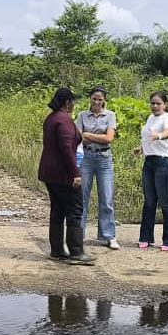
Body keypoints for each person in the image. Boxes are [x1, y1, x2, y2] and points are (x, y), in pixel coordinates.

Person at [38, 87, 94, 265]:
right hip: (63, 173)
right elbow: (66, 150)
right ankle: (76, 251)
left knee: (57, 210)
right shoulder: (64, 121)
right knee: (74, 210)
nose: (74, 105)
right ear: (67, 103)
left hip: (49, 172)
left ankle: (57, 250)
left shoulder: (51, 118)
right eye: (72, 102)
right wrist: (75, 174)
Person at [134, 92, 168, 251]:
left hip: (164, 162)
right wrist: (141, 148)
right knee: (149, 202)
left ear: (165, 104)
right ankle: (145, 237)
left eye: (158, 103)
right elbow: (148, 137)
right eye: (152, 103)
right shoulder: (150, 118)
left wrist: (158, 136)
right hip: (149, 162)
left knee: (166, 203)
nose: (154, 106)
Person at [76, 86, 119, 250]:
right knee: (82, 197)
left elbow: (109, 138)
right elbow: (78, 138)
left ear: (104, 101)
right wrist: (90, 137)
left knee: (106, 198)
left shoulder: (110, 115)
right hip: (86, 157)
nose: (97, 102)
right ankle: (78, 233)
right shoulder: (82, 116)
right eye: (94, 98)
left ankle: (108, 235)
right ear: (90, 99)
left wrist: (88, 135)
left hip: (104, 158)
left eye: (100, 99)